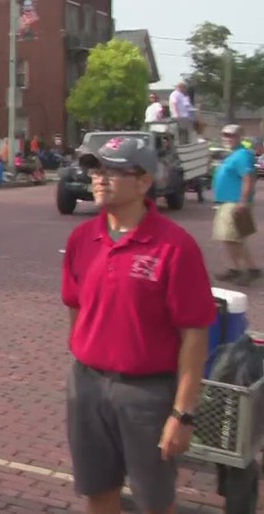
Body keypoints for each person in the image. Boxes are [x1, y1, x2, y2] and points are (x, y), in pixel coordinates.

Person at [62, 136, 215, 514]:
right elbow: (76, 307)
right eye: (96, 169)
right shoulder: (83, 239)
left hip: (147, 395)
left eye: (114, 171)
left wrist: (182, 412)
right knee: (99, 492)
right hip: (88, 386)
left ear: (145, 181)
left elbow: (194, 335)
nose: (99, 179)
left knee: (154, 502)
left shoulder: (175, 246)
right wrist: (89, 356)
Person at [211, 124, 258, 285]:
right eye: (224, 135)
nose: (227, 138)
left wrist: (243, 201)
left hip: (234, 202)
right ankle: (251, 269)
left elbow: (248, 178)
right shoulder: (232, 155)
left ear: (240, 137)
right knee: (237, 238)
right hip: (227, 201)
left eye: (231, 135)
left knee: (229, 238)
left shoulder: (242, 154)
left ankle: (237, 270)